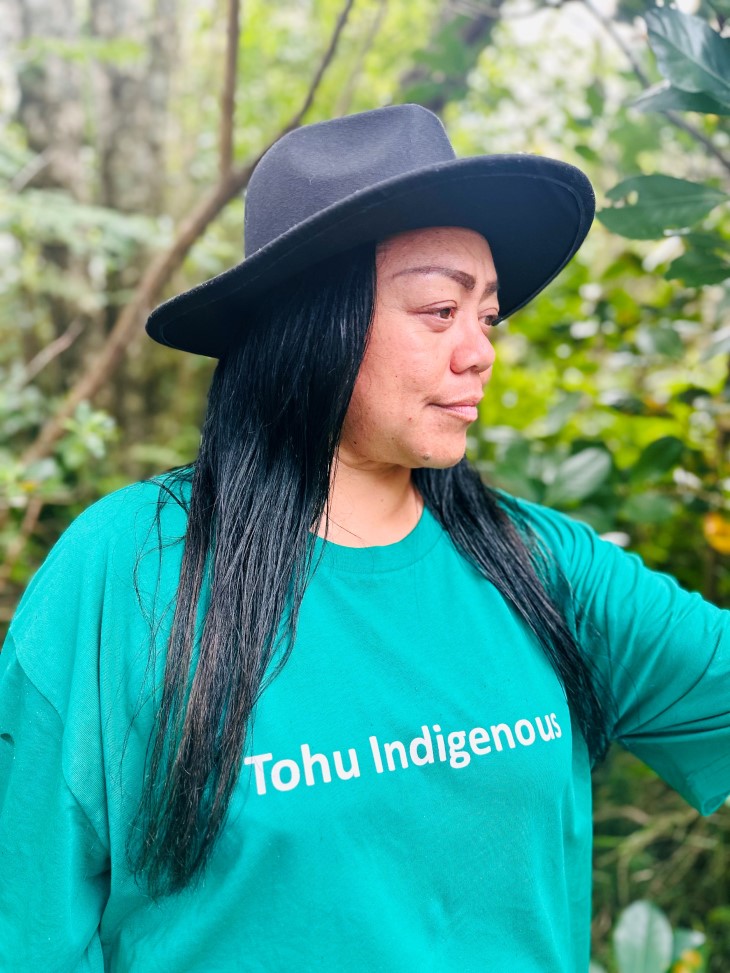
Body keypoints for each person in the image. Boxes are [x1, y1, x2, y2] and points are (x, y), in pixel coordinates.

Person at [0, 104, 728, 973]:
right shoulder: (127, 567)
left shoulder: (543, 566)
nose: (480, 350)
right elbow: (28, 924)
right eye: (437, 309)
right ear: (315, 322)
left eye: (486, 316)